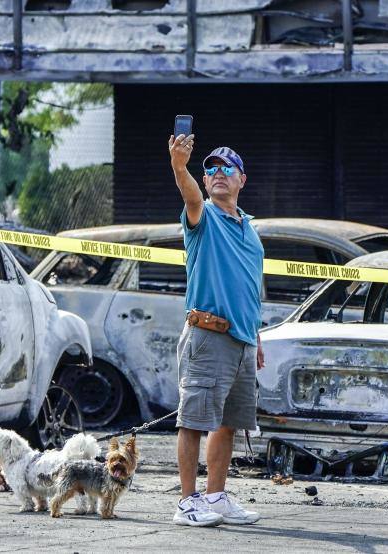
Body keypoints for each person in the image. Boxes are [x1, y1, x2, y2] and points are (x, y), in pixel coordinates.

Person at [167, 132, 264, 527]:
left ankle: (216, 496)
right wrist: (179, 165)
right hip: (208, 336)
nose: (218, 172)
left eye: (228, 167)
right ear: (205, 181)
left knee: (228, 423)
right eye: (211, 168)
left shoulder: (250, 229)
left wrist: (255, 336)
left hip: (241, 339)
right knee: (193, 420)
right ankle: (187, 502)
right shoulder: (202, 215)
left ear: (243, 179)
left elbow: (250, 286)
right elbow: (188, 194)